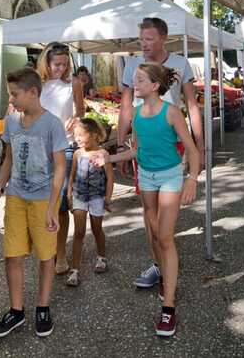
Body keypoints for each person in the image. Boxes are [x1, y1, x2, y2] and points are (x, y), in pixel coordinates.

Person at [93, 64, 200, 337]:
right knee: (153, 234)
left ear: (154, 86)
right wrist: (109, 158)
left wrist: (191, 179)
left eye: (139, 80)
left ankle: (169, 308)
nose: (134, 83)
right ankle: (165, 278)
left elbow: (191, 148)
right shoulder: (136, 115)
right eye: (134, 79)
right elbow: (137, 151)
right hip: (148, 177)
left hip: (171, 176)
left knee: (165, 237)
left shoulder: (171, 112)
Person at [117, 17, 203, 292]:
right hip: (143, 145)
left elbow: (192, 105)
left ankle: (167, 259)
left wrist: (199, 146)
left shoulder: (180, 63)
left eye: (149, 39)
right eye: (141, 38)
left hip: (173, 142)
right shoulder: (131, 65)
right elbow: (126, 107)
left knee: (166, 215)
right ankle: (157, 264)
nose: (143, 43)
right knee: (148, 211)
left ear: (164, 38)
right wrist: (121, 145)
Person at [0, 68, 68, 338]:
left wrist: (53, 206)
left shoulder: (52, 124)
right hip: (17, 197)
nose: (12, 100)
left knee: (46, 256)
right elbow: (8, 158)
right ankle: (16, 311)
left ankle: (42, 308)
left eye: (15, 94)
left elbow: (60, 168)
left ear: (33, 92)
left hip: (43, 201)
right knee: (12, 255)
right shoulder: (11, 122)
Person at [36, 42, 85, 276]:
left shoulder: (73, 83)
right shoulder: (36, 84)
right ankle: (47, 249)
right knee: (42, 203)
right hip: (39, 149)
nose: (62, 69)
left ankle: (61, 254)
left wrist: (75, 120)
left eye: (65, 64)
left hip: (65, 147)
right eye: (57, 64)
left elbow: (81, 111)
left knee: (62, 204)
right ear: (47, 62)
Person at [65, 118, 113, 287]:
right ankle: (75, 270)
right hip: (79, 196)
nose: (76, 138)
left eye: (80, 135)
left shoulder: (103, 154)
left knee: (96, 228)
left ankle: (101, 257)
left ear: (93, 136)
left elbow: (110, 178)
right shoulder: (77, 153)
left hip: (96, 197)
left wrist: (108, 198)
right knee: (78, 232)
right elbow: (72, 174)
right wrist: (69, 192)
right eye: (75, 135)